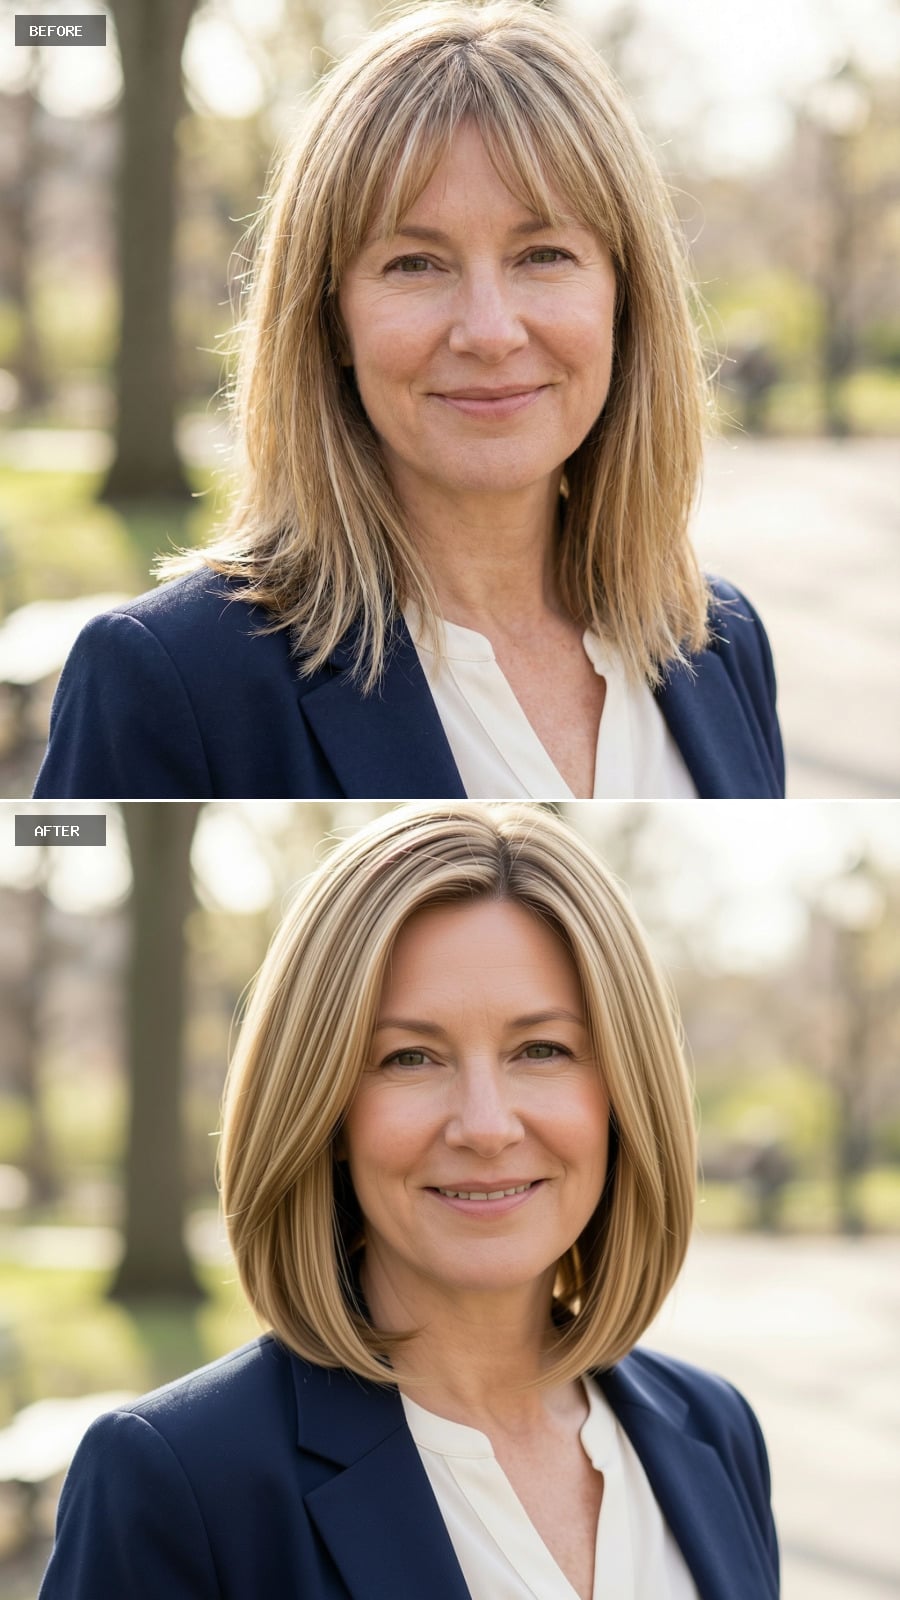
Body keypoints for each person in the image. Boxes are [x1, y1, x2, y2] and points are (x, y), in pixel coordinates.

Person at [34, 1, 783, 801]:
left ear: (625, 299)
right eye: (415, 264)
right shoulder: (168, 677)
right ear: (330, 318)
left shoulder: (721, 640)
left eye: (544, 254)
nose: (490, 332)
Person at [40, 803, 780, 1600]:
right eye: (410, 1058)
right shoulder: (179, 1480)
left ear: (623, 1096)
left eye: (542, 1049)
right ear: (324, 1111)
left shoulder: (714, 1429)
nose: (487, 1127)